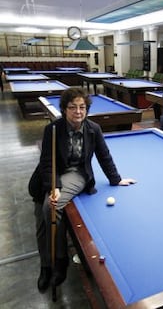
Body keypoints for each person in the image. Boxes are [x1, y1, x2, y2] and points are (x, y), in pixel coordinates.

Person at [29, 88, 136, 293]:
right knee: (42, 219)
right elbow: (46, 164)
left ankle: (60, 261)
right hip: (51, 175)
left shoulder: (93, 129)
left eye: (82, 107)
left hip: (77, 173)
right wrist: (55, 187)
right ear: (64, 109)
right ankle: (46, 267)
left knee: (49, 208)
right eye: (72, 107)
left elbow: (104, 156)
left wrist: (116, 179)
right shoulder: (53, 129)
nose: (78, 111)